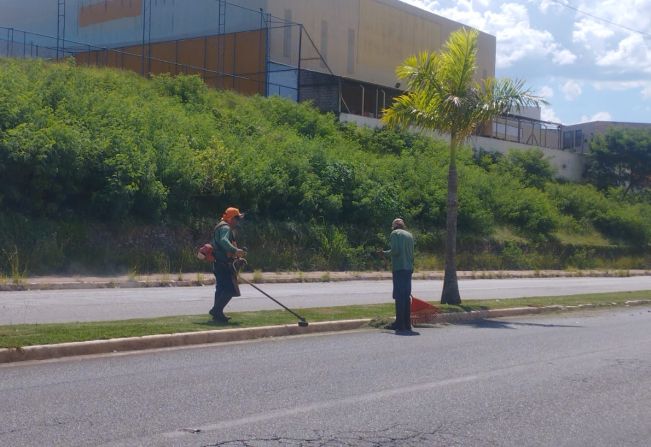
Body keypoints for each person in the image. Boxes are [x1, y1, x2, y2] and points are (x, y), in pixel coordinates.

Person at [209, 207, 246, 323]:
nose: (237, 221)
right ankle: (216, 310)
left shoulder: (220, 226)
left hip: (218, 263)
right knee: (230, 289)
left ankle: (217, 315)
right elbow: (224, 241)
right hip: (224, 264)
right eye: (236, 218)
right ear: (231, 218)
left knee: (220, 290)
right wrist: (235, 250)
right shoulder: (225, 227)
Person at [383, 218, 416, 334]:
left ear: (395, 226)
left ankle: (399, 324)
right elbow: (412, 254)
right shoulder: (409, 235)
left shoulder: (395, 234)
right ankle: (407, 324)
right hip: (409, 269)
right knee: (406, 297)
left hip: (399, 268)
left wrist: (384, 253)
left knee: (399, 296)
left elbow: (396, 251)